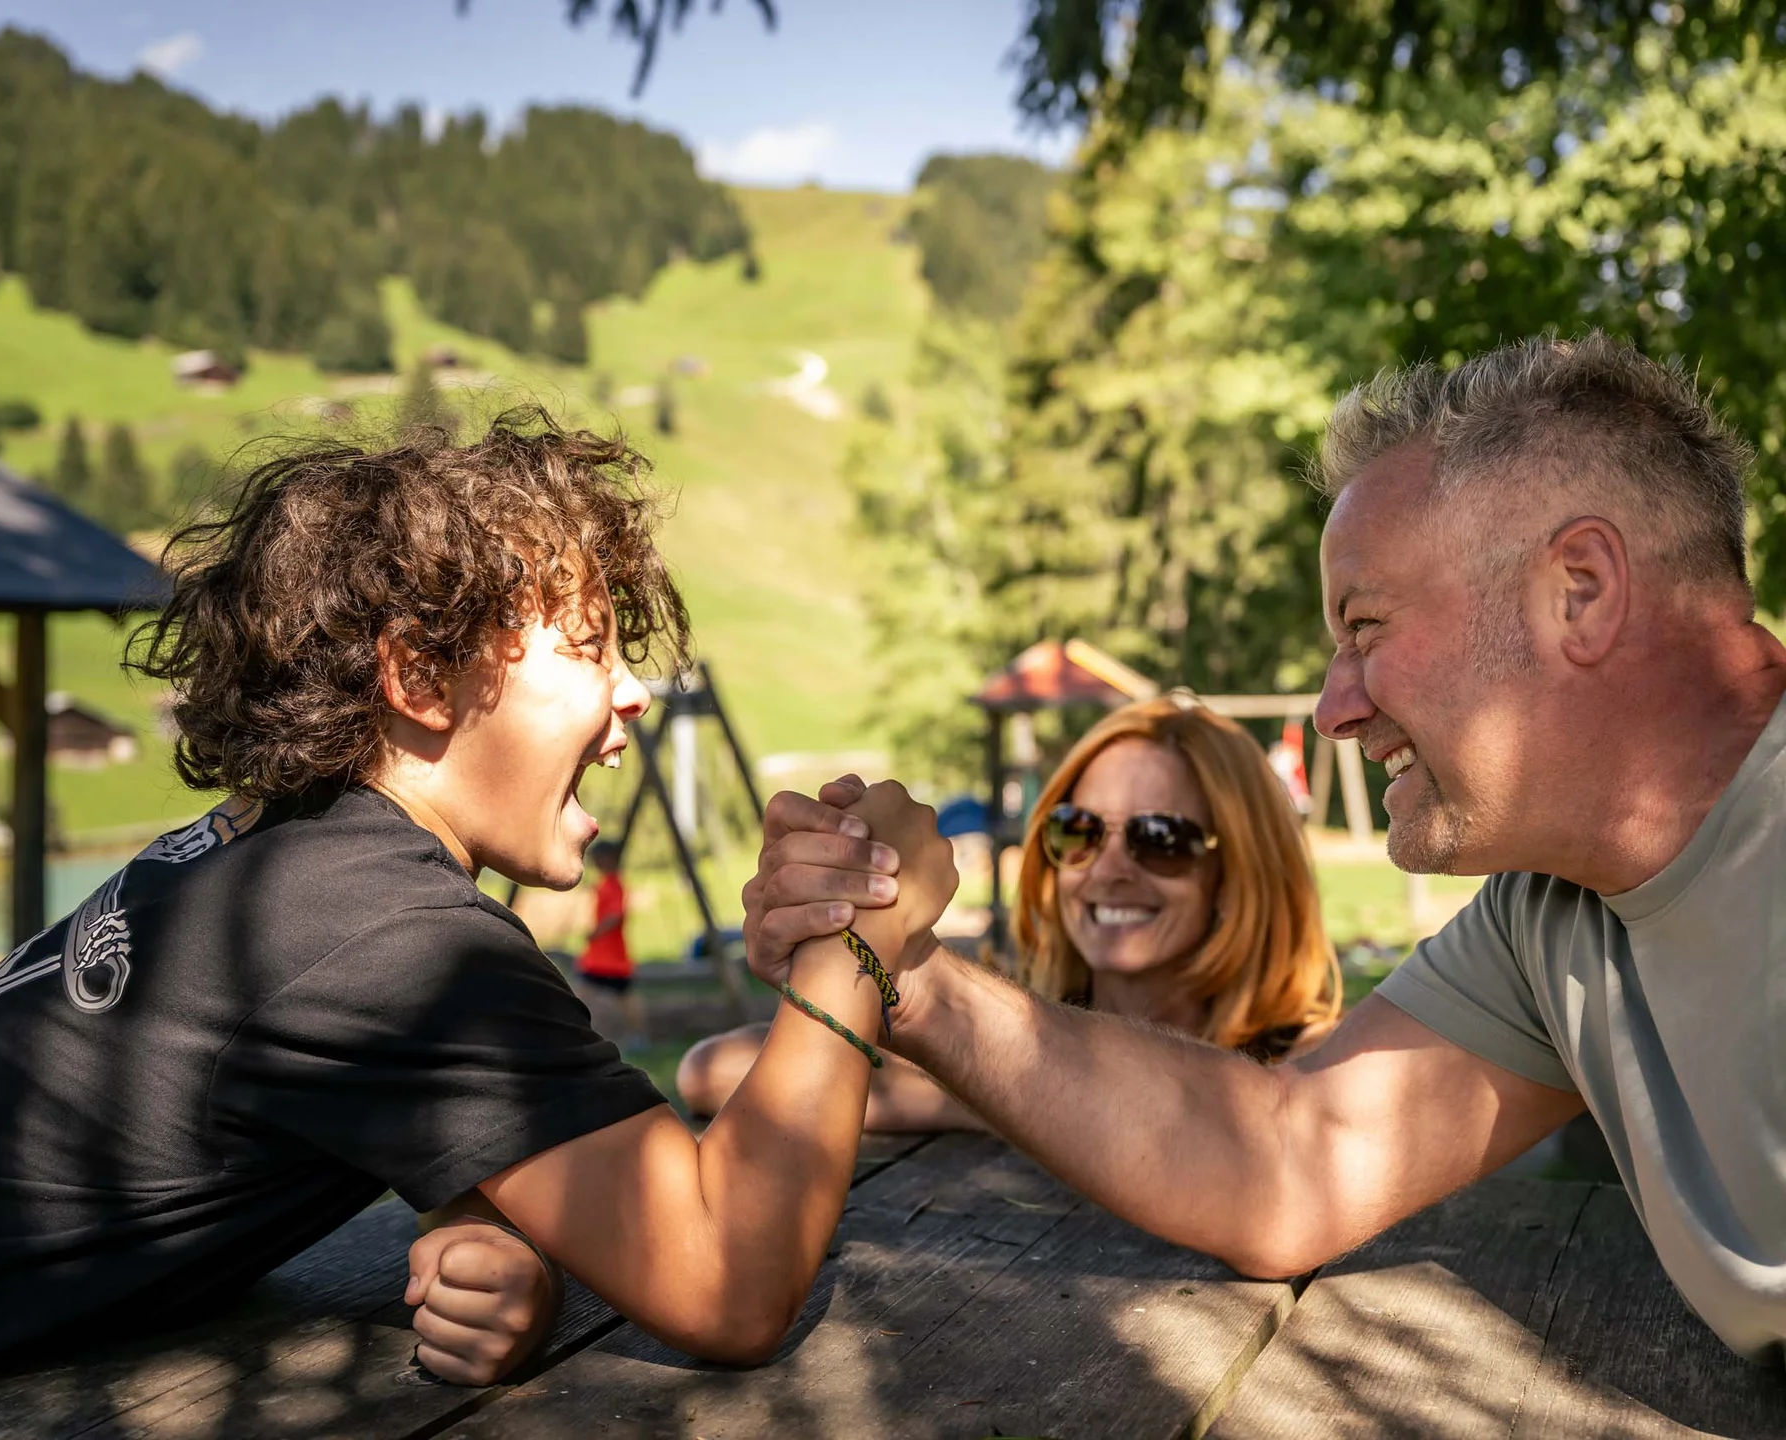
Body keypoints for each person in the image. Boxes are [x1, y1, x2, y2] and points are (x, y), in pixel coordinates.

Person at [0, 410, 956, 1411]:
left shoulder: (285, 859)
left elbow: (324, 1078)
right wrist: (859, 932)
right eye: (586, 649)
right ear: (422, 678)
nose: (630, 692)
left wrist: (480, 1215)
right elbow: (728, 1281)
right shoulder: (391, 937)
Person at [743, 334, 1786, 1363]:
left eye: (1365, 628)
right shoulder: (1547, 917)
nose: (1335, 707)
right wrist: (910, 977)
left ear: (1583, 592)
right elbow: (1293, 1158)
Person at [676, 698, 1341, 1127]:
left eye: (1159, 838)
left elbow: (1289, 1132)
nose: (1108, 869)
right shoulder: (1010, 1013)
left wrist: (1013, 1086)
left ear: (1241, 872)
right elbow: (711, 1071)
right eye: (1076, 831)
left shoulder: (1314, 1064)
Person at [574, 838, 643, 1047]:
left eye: (598, 859)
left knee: (622, 997)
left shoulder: (614, 884)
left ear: (610, 859)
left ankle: (638, 1035)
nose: (596, 863)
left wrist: (595, 932)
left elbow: (615, 916)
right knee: (582, 992)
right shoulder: (606, 884)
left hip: (610, 957)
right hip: (598, 957)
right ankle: (579, 1030)